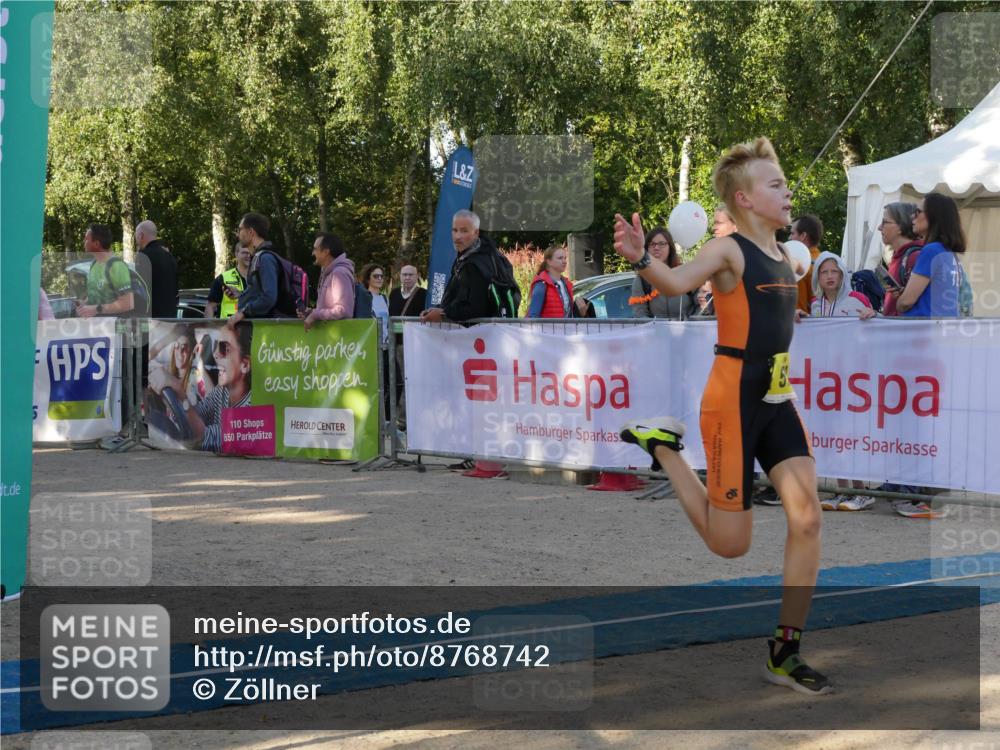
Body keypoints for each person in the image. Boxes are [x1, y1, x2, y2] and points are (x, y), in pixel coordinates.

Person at [615, 137, 832, 696]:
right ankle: (663, 447)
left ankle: (786, 652)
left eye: (785, 181)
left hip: (777, 399)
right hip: (731, 399)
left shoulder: (788, 254)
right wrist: (644, 258)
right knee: (729, 544)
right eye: (776, 184)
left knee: (807, 519)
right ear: (744, 198)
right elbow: (676, 282)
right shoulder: (729, 250)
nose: (788, 191)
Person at [805, 252, 877, 511]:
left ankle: (861, 491)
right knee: (834, 434)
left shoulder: (856, 299)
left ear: (843, 273)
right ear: (817, 277)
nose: (830, 276)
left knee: (852, 433)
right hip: (827, 379)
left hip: (854, 378)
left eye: (834, 271)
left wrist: (873, 314)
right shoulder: (815, 305)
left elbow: (874, 329)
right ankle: (840, 489)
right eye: (824, 272)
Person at [420, 209, 517, 324]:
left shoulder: (477, 263)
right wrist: (439, 309)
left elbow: (475, 309)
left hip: (480, 335)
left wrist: (443, 313)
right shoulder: (468, 257)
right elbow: (458, 299)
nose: (457, 236)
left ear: (476, 233)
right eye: (454, 230)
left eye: (464, 231)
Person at [896, 192, 967, 319]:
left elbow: (907, 302)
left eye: (918, 212)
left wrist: (899, 302)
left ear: (934, 216)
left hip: (924, 332)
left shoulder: (931, 251)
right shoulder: (949, 253)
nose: (913, 216)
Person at [388, 264, 427, 432]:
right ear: (400, 276)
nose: (407, 278)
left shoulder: (424, 295)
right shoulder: (394, 294)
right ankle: (399, 418)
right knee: (397, 380)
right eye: (404, 274)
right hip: (395, 342)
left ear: (417, 275)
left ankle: (403, 420)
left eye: (411, 274)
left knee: (409, 380)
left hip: (416, 344)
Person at [628, 228, 698, 320]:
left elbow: (702, 305)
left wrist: (691, 323)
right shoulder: (642, 280)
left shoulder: (685, 274)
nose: (656, 248)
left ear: (670, 247)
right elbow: (640, 314)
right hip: (656, 332)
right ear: (647, 249)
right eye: (652, 244)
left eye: (662, 244)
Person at [228, 213, 283, 327]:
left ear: (251, 232)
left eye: (240, 229)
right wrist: (242, 295)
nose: (238, 234)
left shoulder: (265, 258)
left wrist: (244, 312)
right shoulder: (258, 257)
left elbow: (269, 297)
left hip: (263, 333)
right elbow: (259, 293)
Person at [75, 224, 135, 318]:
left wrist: (96, 309)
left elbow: (127, 304)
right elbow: (95, 293)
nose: (83, 241)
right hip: (96, 327)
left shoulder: (116, 266)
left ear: (96, 244)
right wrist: (84, 304)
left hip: (113, 328)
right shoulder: (94, 264)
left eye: (86, 239)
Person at [301, 233, 354, 330]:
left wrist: (315, 315)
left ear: (325, 252)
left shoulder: (339, 273)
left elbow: (343, 311)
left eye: (315, 249)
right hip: (331, 341)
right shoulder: (330, 273)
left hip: (340, 341)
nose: (313, 253)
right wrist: (311, 313)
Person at [879, 202, 922, 317]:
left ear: (901, 227)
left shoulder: (915, 257)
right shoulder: (900, 257)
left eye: (885, 222)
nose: (879, 227)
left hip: (907, 332)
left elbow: (911, 304)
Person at [527, 245, 588, 318]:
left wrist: (581, 313)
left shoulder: (567, 285)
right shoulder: (541, 285)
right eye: (560, 258)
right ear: (549, 262)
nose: (564, 261)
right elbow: (533, 317)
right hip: (548, 329)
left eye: (565, 258)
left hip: (565, 329)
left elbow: (567, 315)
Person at [135, 220, 178, 318]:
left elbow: (140, 289)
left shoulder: (143, 256)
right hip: (170, 318)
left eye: (136, 236)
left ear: (141, 235)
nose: (136, 240)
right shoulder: (169, 256)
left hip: (151, 318)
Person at [206, 243, 252, 319]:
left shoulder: (259, 278)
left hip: (252, 327)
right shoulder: (223, 278)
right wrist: (208, 328)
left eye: (250, 252)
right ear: (236, 254)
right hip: (227, 327)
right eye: (245, 253)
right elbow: (210, 306)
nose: (248, 255)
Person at [790, 214, 823, 314]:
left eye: (792, 233)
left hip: (803, 325)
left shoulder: (800, 266)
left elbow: (799, 309)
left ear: (803, 236)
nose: (789, 237)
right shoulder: (825, 261)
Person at [360, 263, 390, 335]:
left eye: (381, 276)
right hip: (371, 339)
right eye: (376, 276)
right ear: (368, 279)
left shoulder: (385, 298)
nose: (379, 278)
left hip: (386, 342)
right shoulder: (364, 297)